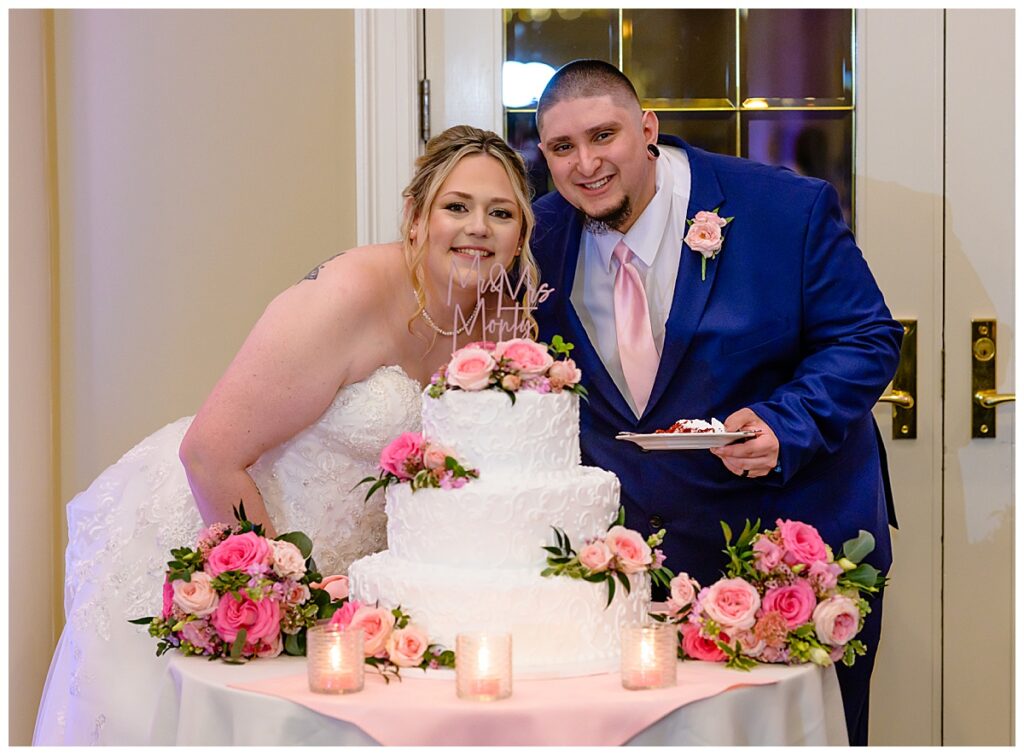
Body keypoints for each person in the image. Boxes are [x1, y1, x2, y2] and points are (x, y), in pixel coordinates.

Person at [33, 125, 538, 745]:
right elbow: (210, 453)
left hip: (347, 572)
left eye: (500, 213)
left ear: (521, 234)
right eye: (456, 207)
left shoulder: (504, 317)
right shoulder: (349, 293)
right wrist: (281, 601)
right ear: (415, 216)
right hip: (221, 525)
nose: (477, 227)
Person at [528, 60, 901, 746]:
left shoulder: (782, 208)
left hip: (784, 547)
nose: (586, 164)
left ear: (647, 129)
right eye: (561, 148)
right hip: (631, 570)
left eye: (604, 135)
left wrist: (786, 423)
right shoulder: (540, 234)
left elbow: (867, 336)